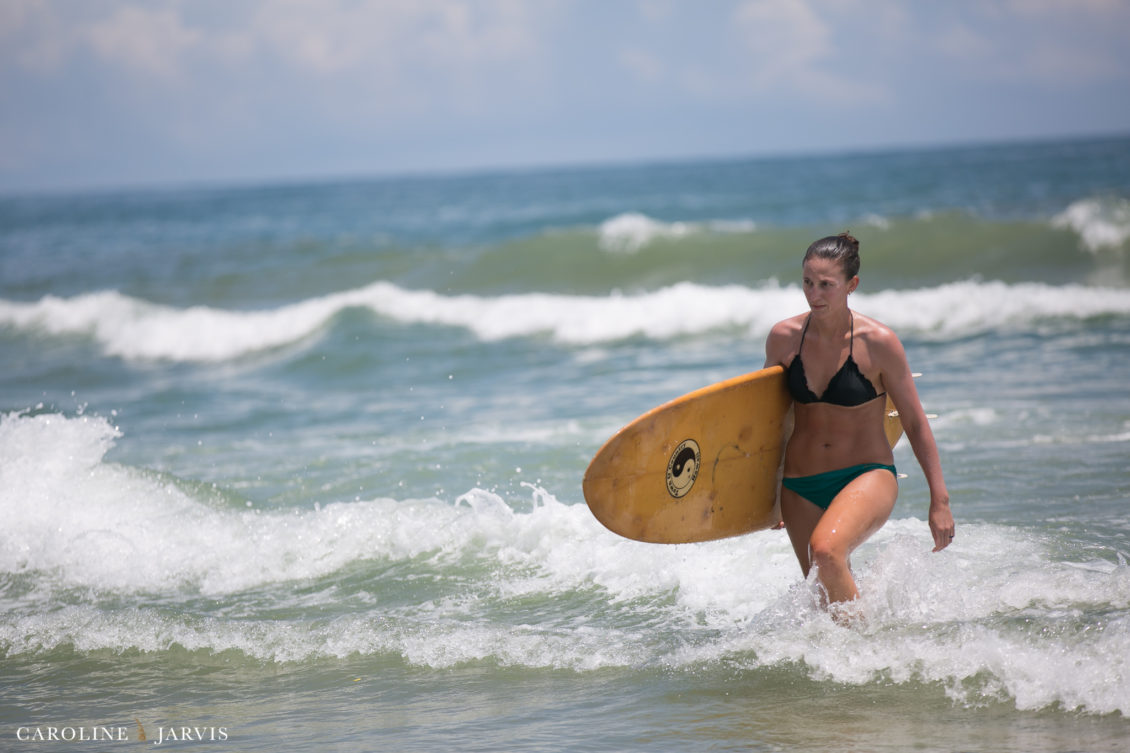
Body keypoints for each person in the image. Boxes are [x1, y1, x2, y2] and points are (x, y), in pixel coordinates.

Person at [764, 232, 954, 611]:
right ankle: (862, 645)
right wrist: (767, 494)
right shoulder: (783, 339)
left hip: (866, 474)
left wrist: (940, 500)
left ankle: (868, 641)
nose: (814, 294)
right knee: (824, 600)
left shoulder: (878, 342)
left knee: (825, 551)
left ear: (851, 285)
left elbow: (915, 422)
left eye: (826, 285)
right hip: (800, 486)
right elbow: (769, 421)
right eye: (807, 282)